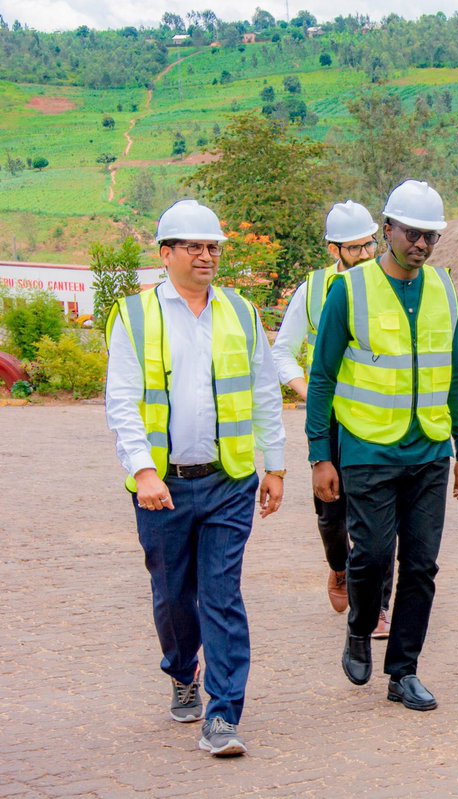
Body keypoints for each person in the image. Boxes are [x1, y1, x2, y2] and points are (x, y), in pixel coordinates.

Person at [104, 200, 286, 757]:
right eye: (194, 247)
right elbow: (122, 402)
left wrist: (274, 464)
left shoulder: (240, 312)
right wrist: (142, 470)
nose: (207, 256)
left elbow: (263, 393)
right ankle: (183, 669)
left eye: (213, 247)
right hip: (161, 488)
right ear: (167, 254)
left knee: (222, 595)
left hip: (229, 482)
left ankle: (223, 714)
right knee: (173, 596)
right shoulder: (133, 315)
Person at [306, 180, 458, 711]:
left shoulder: (444, 289)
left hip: (428, 451)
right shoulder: (349, 290)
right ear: (387, 231)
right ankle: (359, 626)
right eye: (412, 233)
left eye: (431, 236)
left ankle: (403, 672)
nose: (421, 245)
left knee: (422, 566)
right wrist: (319, 454)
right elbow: (322, 377)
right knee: (374, 555)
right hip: (368, 451)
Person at [273, 200, 393, 638]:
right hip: (330, 422)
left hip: (379, 421)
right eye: (354, 248)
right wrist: (310, 392)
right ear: (333, 249)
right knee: (331, 512)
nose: (364, 255)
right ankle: (339, 568)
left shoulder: (389, 283)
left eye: (369, 245)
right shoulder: (313, 291)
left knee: (380, 517)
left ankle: (379, 606)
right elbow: (281, 353)